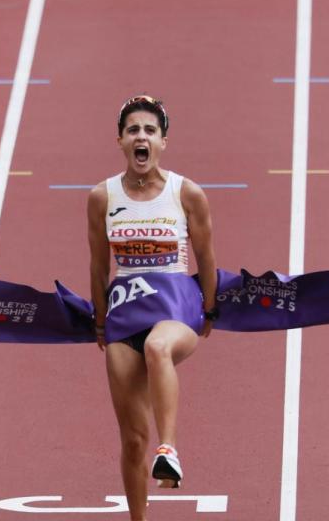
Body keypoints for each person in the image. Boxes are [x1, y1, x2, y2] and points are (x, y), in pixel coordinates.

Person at [87, 95, 218, 521]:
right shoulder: (102, 197)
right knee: (130, 441)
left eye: (149, 131)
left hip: (177, 308)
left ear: (162, 141)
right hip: (125, 315)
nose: (141, 137)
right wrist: (100, 320)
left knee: (159, 349)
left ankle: (171, 448)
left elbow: (207, 257)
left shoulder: (187, 193)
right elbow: (98, 265)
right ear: (120, 141)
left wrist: (210, 310)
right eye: (133, 130)